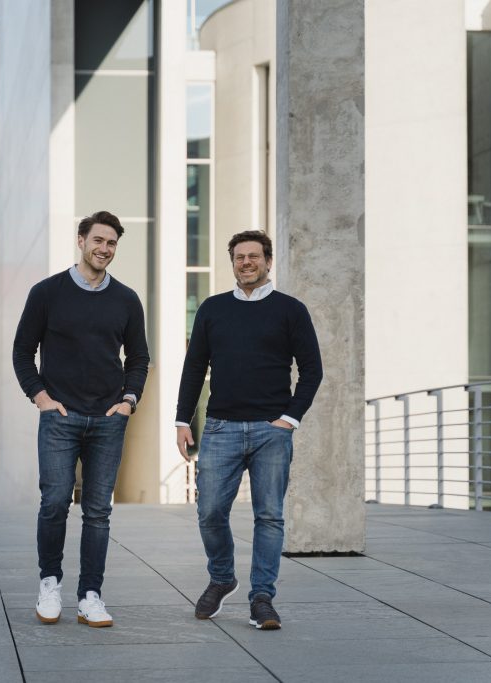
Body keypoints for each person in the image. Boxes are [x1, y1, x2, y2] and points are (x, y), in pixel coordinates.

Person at [175, 229, 322, 630]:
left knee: (270, 517)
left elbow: (311, 371)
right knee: (209, 512)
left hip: (270, 431)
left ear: (268, 261)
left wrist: (289, 419)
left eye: (253, 256)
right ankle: (222, 577)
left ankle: (262, 598)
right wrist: (182, 419)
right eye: (239, 257)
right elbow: (194, 369)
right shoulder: (212, 309)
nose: (246, 263)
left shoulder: (291, 310)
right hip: (220, 428)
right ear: (233, 263)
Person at [13, 210, 149, 628]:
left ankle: (91, 595)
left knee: (98, 511)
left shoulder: (126, 299)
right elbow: (23, 351)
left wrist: (128, 400)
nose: (105, 249)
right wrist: (41, 398)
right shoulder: (47, 293)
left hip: (108, 419)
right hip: (60, 417)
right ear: (81, 240)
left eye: (112, 244)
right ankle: (49, 582)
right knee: (54, 503)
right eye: (99, 241)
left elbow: (139, 357)